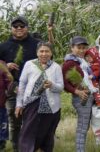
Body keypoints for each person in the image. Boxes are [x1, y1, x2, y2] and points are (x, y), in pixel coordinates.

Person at [0, 16, 40, 151]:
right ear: (11, 28)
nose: (18, 29)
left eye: (21, 26)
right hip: (13, 87)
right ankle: (17, 146)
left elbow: (48, 56)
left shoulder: (36, 44)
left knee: (32, 118)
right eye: (15, 26)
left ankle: (31, 145)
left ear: (27, 28)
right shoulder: (4, 46)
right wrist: (5, 65)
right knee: (14, 117)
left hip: (34, 87)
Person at [15, 42, 63, 152]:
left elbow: (60, 87)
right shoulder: (29, 64)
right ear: (37, 52)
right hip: (31, 104)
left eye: (47, 51)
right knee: (27, 132)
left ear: (51, 53)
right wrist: (19, 104)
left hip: (50, 107)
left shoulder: (55, 67)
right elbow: (22, 84)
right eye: (41, 51)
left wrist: (52, 85)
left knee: (46, 134)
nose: (44, 54)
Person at [62, 36, 97, 152]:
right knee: (82, 127)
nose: (81, 50)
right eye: (78, 48)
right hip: (81, 98)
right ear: (72, 48)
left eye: (83, 48)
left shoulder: (83, 61)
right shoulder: (70, 63)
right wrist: (77, 91)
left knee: (85, 126)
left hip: (88, 95)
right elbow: (65, 84)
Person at [0, 61, 12, 150]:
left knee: (2, 127)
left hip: (1, 104)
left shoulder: (2, 64)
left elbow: (9, 82)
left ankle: (1, 145)